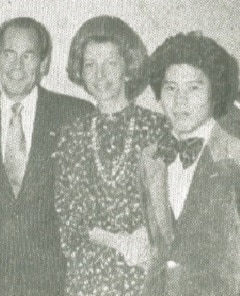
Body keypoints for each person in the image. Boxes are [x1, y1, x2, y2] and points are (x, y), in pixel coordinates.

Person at [0, 17, 94, 295]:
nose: (17, 66)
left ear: (43, 64)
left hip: (55, 280)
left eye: (28, 55)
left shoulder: (75, 115)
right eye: (8, 54)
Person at [53, 15, 170, 295]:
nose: (100, 75)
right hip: (88, 277)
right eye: (90, 64)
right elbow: (67, 216)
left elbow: (172, 205)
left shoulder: (158, 128)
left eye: (111, 64)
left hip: (144, 270)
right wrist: (119, 242)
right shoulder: (71, 135)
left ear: (128, 67)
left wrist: (142, 241)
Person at [140, 31, 240, 296]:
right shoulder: (150, 158)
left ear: (215, 92)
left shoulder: (236, 157)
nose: (180, 100)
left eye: (194, 88)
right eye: (170, 88)